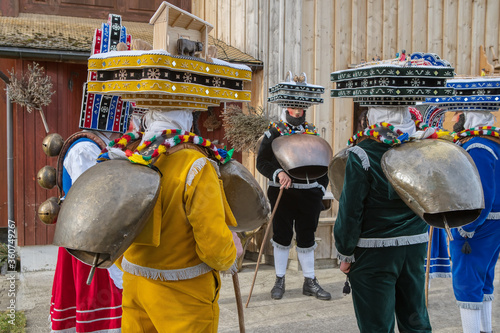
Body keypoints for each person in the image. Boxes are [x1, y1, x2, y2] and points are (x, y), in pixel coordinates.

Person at [118, 110, 237, 332]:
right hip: (184, 297)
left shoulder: (131, 154)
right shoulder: (196, 163)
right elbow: (214, 249)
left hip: (135, 287)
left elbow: (115, 227)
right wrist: (232, 251)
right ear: (186, 115)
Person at [334, 106, 432, 332]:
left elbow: (351, 210)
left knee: (376, 325)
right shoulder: (422, 147)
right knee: (415, 320)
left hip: (374, 251)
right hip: (415, 245)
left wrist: (345, 252)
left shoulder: (362, 152)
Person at [50, 129, 124, 333]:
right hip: (90, 246)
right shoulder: (85, 149)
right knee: (99, 314)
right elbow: (93, 204)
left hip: (103, 239)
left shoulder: (104, 142)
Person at [256, 106, 331, 301]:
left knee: (307, 236)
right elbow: (261, 161)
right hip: (283, 192)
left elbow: (325, 163)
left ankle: (310, 281)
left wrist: (320, 189)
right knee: (282, 235)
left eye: (301, 109)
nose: (297, 113)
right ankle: (279, 280)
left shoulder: (312, 132)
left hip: (310, 194)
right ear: (286, 108)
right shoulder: (273, 132)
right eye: (294, 108)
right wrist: (278, 173)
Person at [450, 110, 500, 333]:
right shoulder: (491, 141)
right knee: (484, 281)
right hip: (492, 225)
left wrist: (466, 227)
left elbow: (483, 197)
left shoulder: (478, 147)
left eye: (458, 113)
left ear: (469, 115)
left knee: (467, 283)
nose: (453, 119)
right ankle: (485, 330)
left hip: (478, 227)